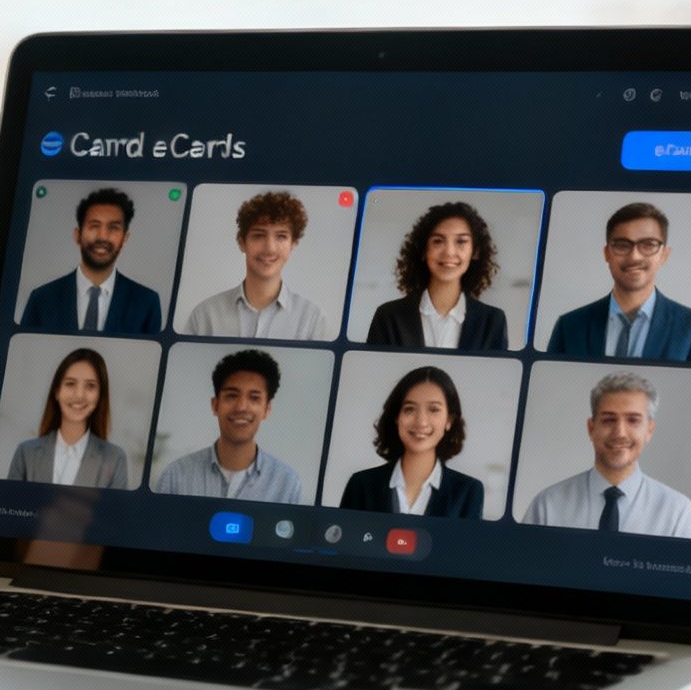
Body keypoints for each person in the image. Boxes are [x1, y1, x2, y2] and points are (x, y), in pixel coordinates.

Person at [521, 371, 691, 538]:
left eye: (633, 420)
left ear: (649, 431)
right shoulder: (547, 505)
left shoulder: (678, 513)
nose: (620, 433)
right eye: (608, 420)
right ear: (591, 429)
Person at [545, 202, 691, 361]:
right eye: (622, 244)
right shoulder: (569, 327)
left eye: (648, 244)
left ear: (664, 255)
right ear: (606, 253)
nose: (634, 256)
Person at [152, 348, 304, 503]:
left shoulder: (287, 483)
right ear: (215, 405)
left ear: (266, 410)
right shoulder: (176, 475)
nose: (241, 407)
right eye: (232, 396)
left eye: (254, 398)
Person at [337, 366, 486, 518]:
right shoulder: (361, 485)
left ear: (449, 420)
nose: (421, 422)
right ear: (396, 417)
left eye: (433, 410)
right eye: (410, 409)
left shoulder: (468, 491)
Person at [182, 190, 331, 340]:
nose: (270, 248)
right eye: (259, 235)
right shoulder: (205, 316)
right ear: (242, 242)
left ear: (292, 244)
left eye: (281, 236)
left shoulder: (312, 319)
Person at [363, 201, 509, 350]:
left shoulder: (493, 321)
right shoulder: (389, 317)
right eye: (438, 241)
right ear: (424, 250)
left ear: (475, 251)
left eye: (461, 241)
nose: (449, 252)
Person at [19, 187, 164, 333]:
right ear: (78, 235)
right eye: (94, 226)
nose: (102, 237)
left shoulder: (146, 302)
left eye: (113, 228)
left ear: (124, 238)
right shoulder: (42, 298)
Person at [4, 348, 129, 488]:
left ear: (100, 396)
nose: (79, 395)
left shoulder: (115, 458)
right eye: (70, 384)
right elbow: (8, 508)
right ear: (57, 391)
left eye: (90, 386)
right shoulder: (25, 452)